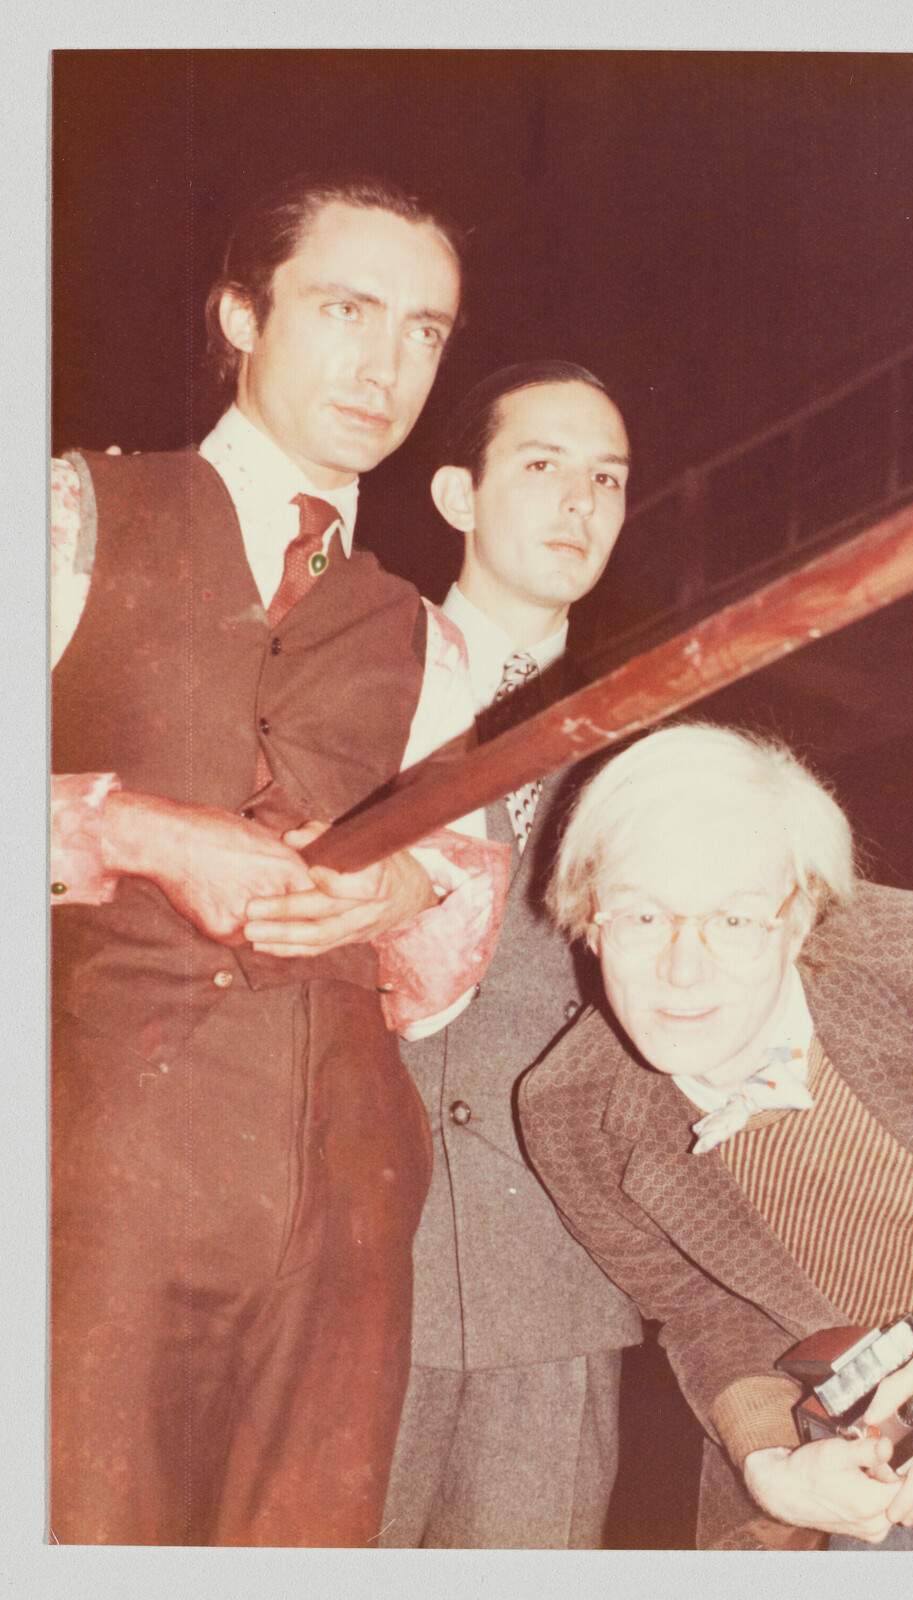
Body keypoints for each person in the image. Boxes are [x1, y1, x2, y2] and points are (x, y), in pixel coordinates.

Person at [49, 174, 510, 1546]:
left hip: (346, 1206)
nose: (385, 364)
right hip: (95, 1178)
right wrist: (123, 825)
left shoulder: (428, 635)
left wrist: (400, 888)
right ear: (242, 312)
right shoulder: (70, 515)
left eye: (423, 330)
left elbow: (456, 930)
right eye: (345, 308)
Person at [518, 723, 913, 1552]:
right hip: (898, 1421)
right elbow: (699, 1302)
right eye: (644, 916)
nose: (682, 972)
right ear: (588, 919)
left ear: (797, 919)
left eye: (732, 920)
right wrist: (767, 1458)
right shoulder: (572, 1112)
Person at [379, 363, 642, 1548]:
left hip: (557, 1278)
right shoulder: (353, 679)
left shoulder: (659, 727)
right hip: (359, 1265)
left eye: (607, 479)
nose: (577, 502)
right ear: (455, 493)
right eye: (541, 465)